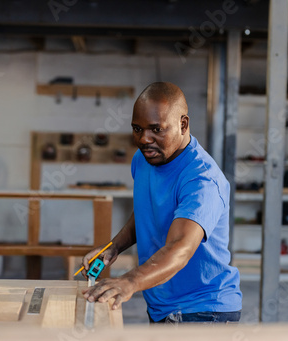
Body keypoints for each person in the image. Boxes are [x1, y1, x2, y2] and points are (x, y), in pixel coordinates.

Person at [81, 82, 242, 324]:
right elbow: (147, 212)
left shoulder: (202, 179)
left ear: (183, 124)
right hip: (162, 303)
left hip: (204, 310)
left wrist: (130, 281)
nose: (145, 139)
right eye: (137, 128)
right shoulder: (144, 159)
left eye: (156, 129)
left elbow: (181, 248)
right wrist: (113, 247)